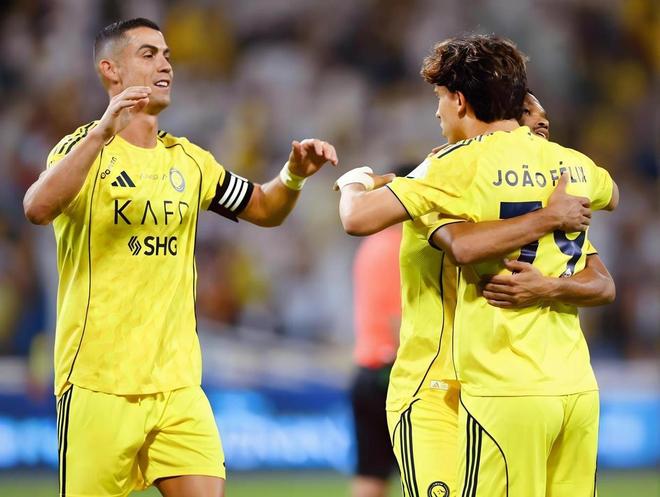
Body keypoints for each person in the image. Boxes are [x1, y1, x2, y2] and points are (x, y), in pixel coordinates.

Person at [22, 18, 337, 497]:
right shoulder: (82, 149)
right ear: (110, 70)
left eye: (167, 55)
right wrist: (102, 133)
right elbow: (37, 208)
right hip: (98, 383)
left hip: (178, 386)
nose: (165, 64)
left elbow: (264, 207)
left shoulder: (189, 161)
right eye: (148, 54)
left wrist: (293, 175)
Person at [335, 35, 617, 497]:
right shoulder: (570, 170)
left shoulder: (452, 169)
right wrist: (549, 214)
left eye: (440, 98)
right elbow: (611, 198)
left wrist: (355, 181)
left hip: (468, 386)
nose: (437, 112)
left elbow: (359, 219)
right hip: (566, 383)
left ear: (460, 100)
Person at [350, 165, 415, 497]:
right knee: (426, 473)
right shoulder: (399, 247)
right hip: (391, 373)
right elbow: (398, 321)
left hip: (368, 368)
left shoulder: (373, 244)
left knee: (371, 473)